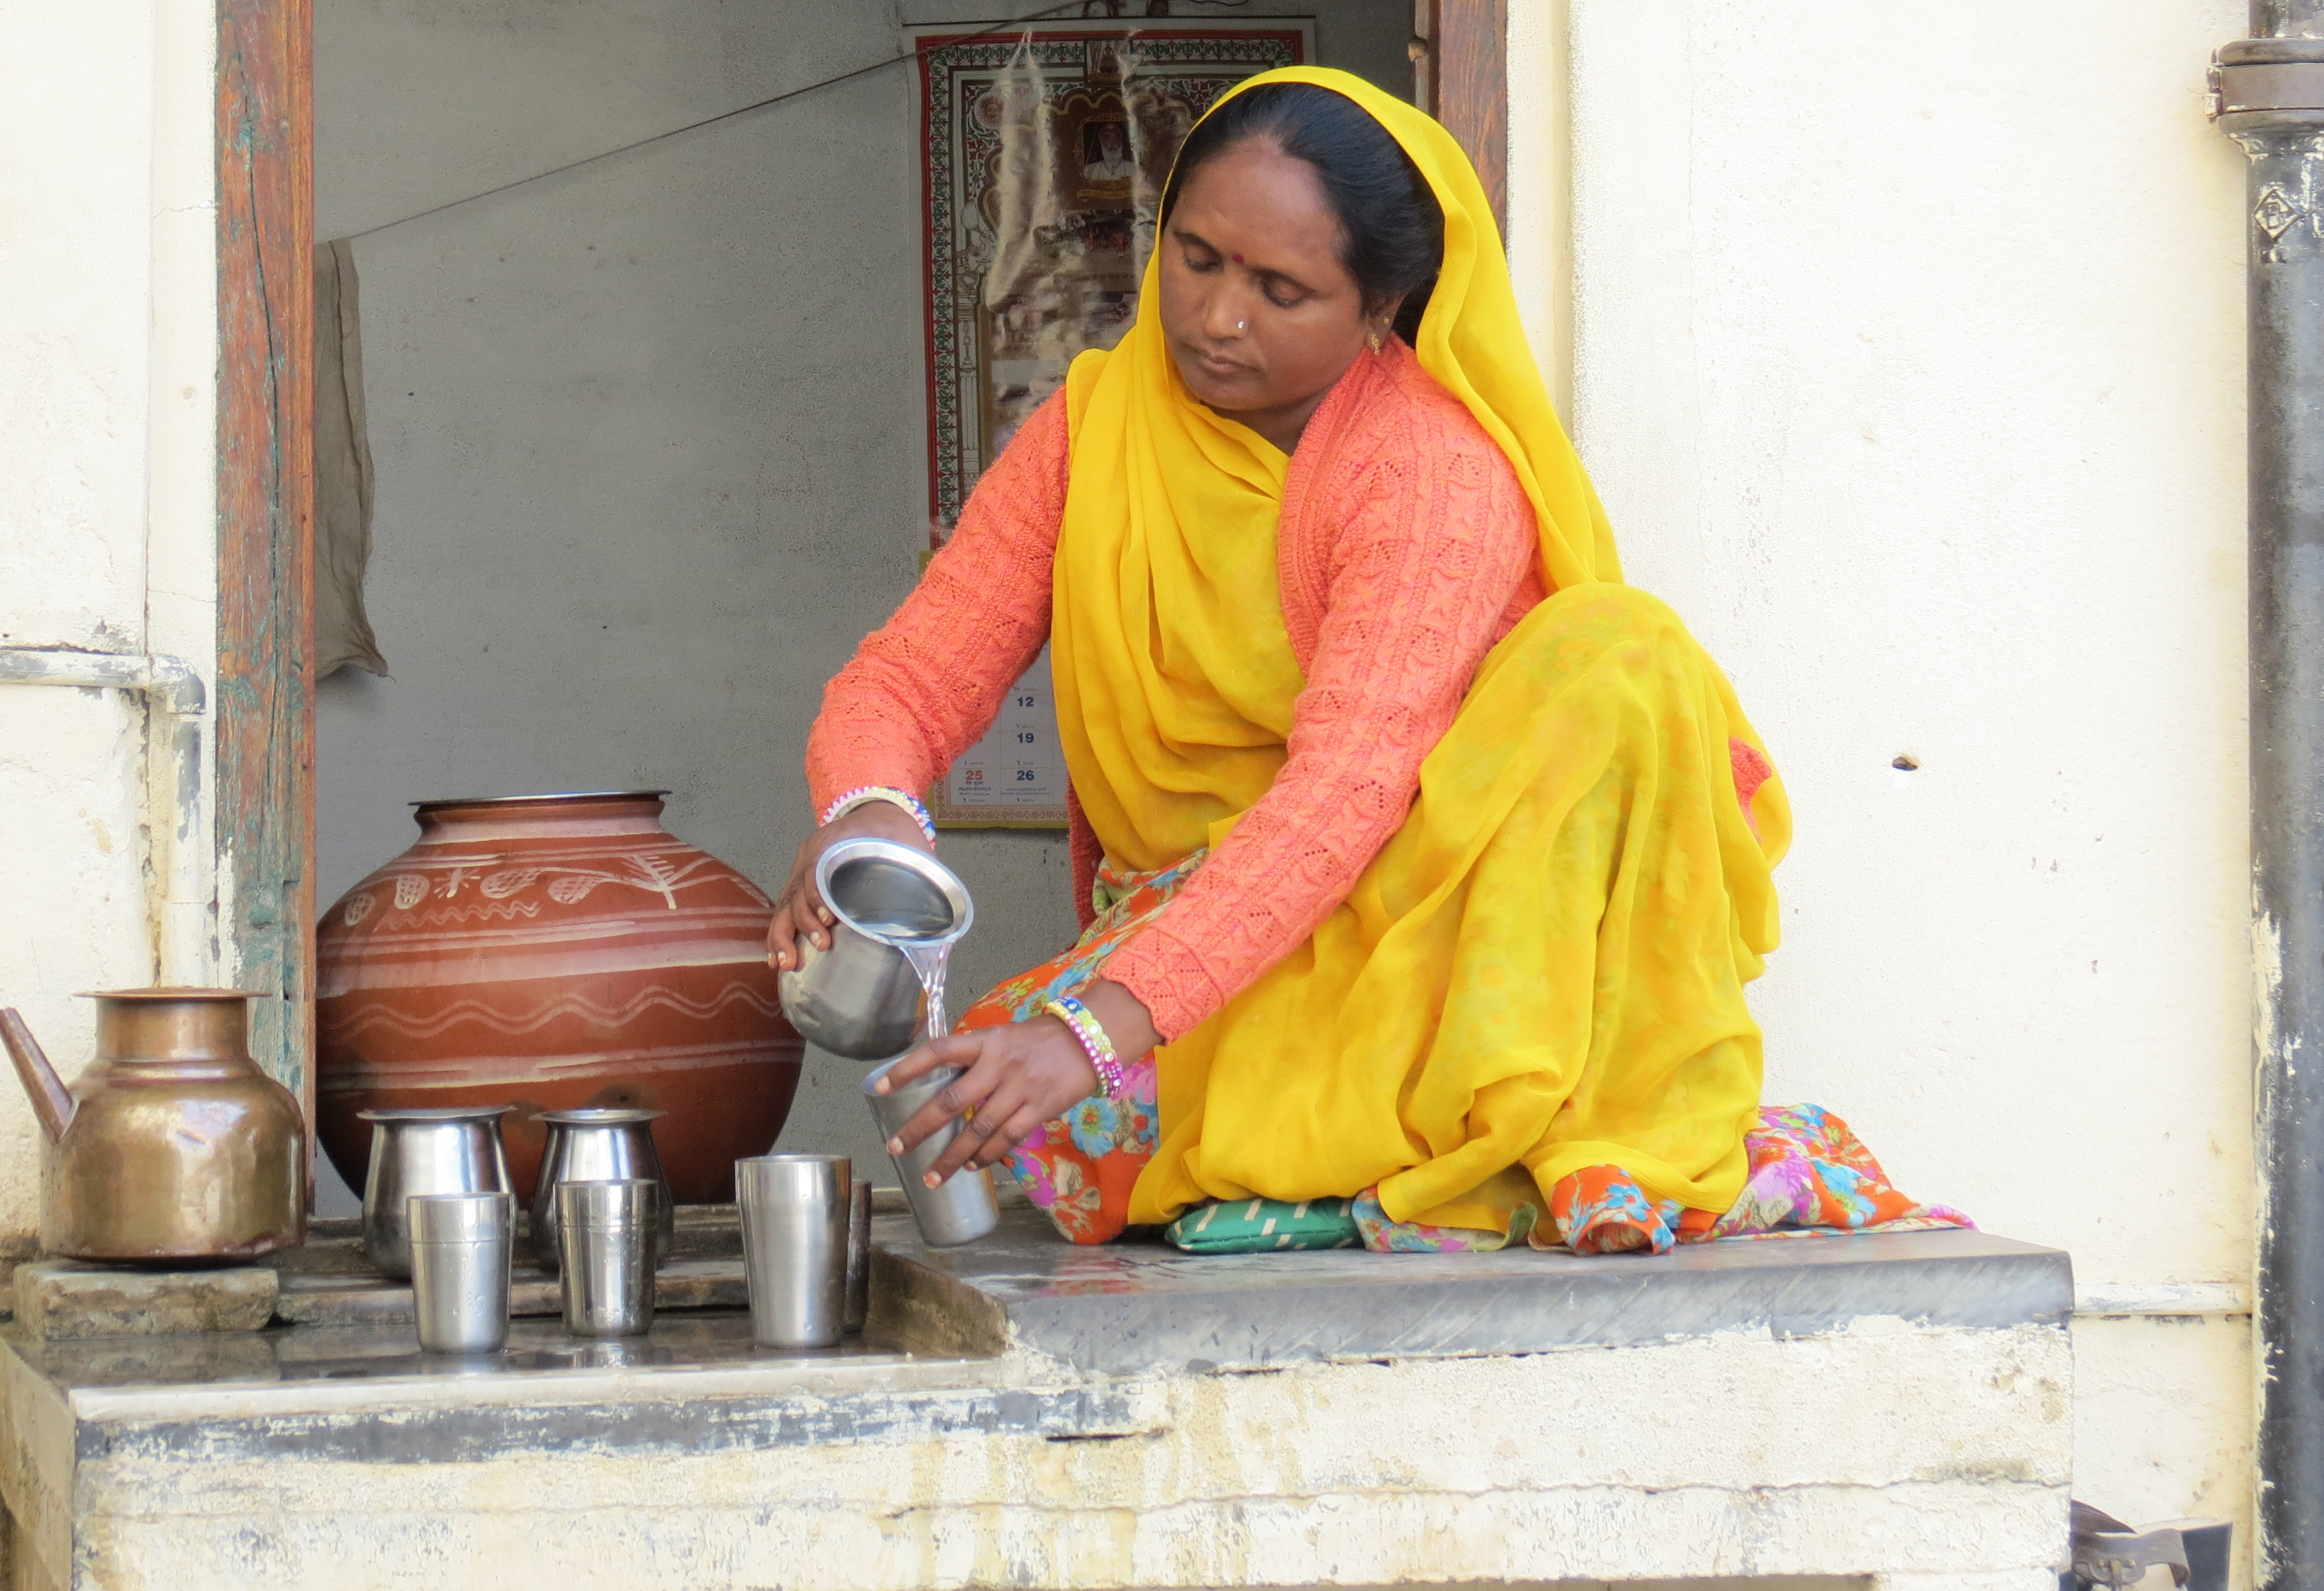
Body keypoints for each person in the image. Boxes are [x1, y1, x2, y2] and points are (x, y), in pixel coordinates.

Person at [770, 69, 1807, 1257]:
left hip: (1407, 934)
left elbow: (1342, 799)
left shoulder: (1425, 472)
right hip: (1211, 932)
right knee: (1021, 1129)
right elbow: (909, 675)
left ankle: (1474, 1115)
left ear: (1381, 305)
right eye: (1199, 258)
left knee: (1619, 653)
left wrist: (1092, 1035)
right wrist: (868, 816)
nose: (1218, 318)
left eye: (1282, 290)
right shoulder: (1099, 426)